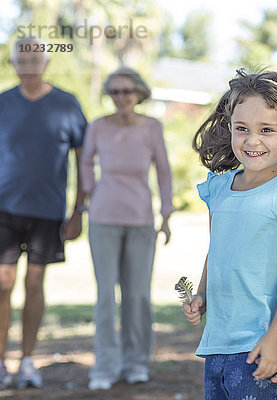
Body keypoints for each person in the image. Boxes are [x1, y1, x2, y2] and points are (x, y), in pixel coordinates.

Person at [181, 69, 277, 400]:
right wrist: (201, 295)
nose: (252, 140)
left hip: (261, 345)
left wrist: (275, 338)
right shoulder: (218, 189)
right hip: (217, 343)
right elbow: (217, 252)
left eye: (267, 130)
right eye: (241, 128)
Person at [0, 36, 87, 389]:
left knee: (34, 283)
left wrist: (79, 209)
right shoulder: (3, 102)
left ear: (46, 63)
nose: (29, 64)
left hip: (48, 212)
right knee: (2, 285)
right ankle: (1, 362)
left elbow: (84, 162)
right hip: (4, 209)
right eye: (23, 58)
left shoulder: (67, 104)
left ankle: (28, 360)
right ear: (14, 63)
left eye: (36, 58)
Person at [79, 67, 174, 390]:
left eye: (127, 91)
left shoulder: (152, 127)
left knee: (137, 296)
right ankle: (105, 367)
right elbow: (84, 161)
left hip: (141, 220)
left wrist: (166, 212)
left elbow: (163, 171)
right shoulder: (98, 127)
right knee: (105, 297)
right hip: (102, 218)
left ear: (139, 93)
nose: (121, 97)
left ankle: (136, 363)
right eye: (115, 91)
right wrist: (89, 190)